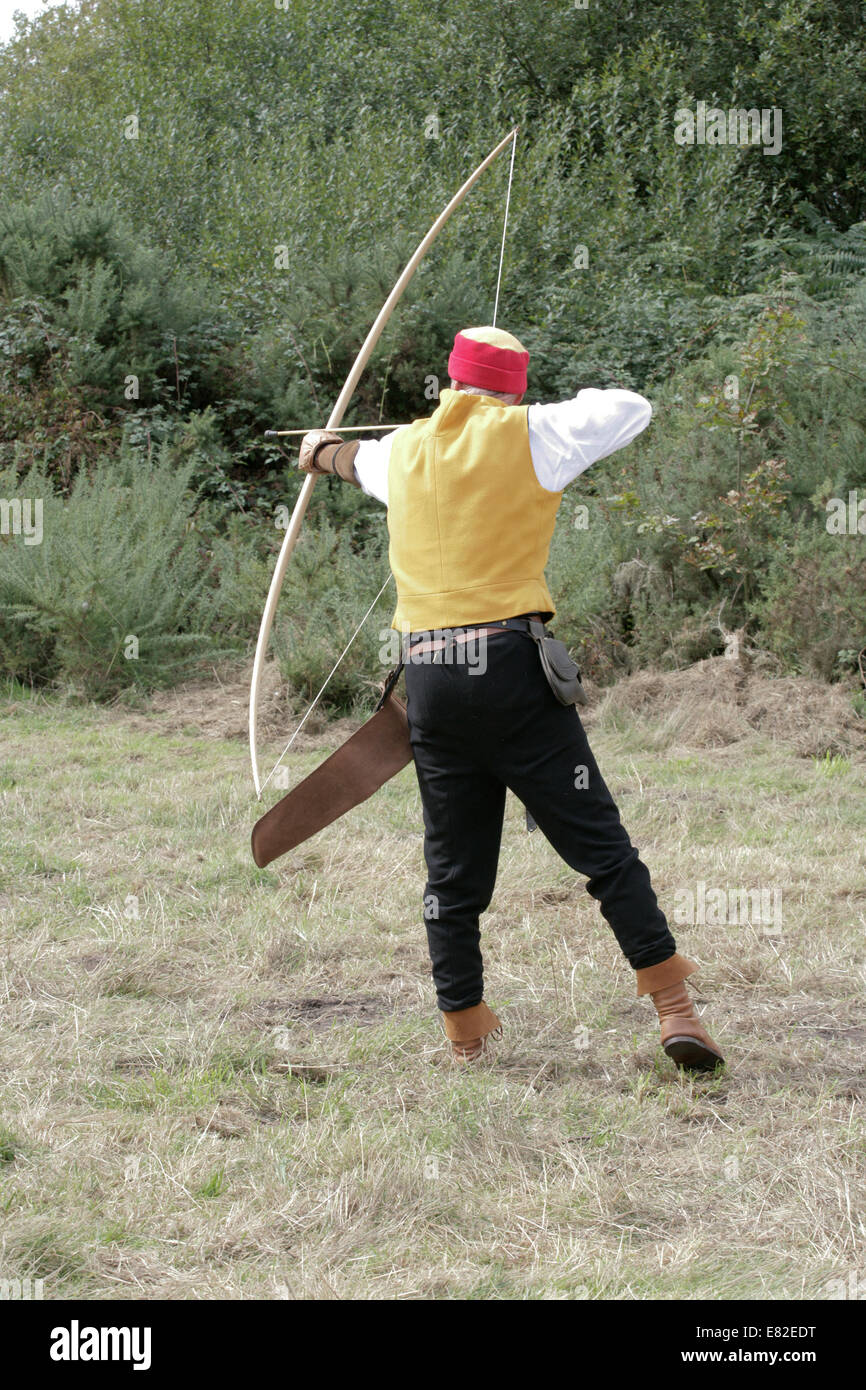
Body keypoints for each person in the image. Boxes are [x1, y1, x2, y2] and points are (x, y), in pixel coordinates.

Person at [298, 326, 724, 1072]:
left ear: (451, 382)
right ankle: (674, 1008)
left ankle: (465, 1033)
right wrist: (520, 412)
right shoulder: (537, 434)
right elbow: (631, 406)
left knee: (452, 871)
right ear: (514, 388)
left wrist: (319, 450)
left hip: (429, 679)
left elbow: (341, 460)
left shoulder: (399, 451)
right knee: (602, 849)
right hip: (509, 672)